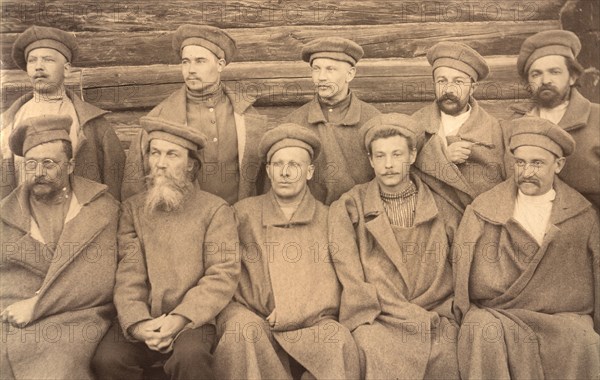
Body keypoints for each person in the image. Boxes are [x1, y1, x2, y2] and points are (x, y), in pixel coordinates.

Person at [92, 116, 240, 380]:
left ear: (192, 166)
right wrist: (139, 324)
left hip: (194, 320)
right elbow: (128, 274)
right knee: (108, 360)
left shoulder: (215, 210)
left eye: (172, 154)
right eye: (155, 153)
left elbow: (222, 274)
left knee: (190, 358)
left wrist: (180, 318)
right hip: (143, 317)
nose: (160, 164)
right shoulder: (133, 209)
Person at [453, 116, 600, 379]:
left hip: (561, 317)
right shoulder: (483, 209)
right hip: (498, 313)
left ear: (559, 164)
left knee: (583, 340)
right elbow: (462, 274)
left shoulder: (581, 215)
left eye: (537, 163)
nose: (526, 172)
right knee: (479, 330)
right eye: (520, 163)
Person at [214, 123, 359, 379]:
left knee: (338, 341)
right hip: (252, 314)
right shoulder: (242, 213)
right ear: (268, 170)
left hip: (312, 319)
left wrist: (294, 310)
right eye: (278, 164)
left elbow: (337, 282)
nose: (285, 173)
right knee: (242, 332)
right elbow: (225, 274)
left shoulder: (328, 218)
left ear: (310, 171)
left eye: (294, 165)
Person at [329, 113, 461, 379]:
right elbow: (349, 273)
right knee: (370, 345)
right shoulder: (350, 206)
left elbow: (460, 264)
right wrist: (372, 307)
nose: (388, 165)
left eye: (397, 155)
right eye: (380, 156)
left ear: (412, 156)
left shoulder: (441, 206)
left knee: (448, 350)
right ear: (370, 160)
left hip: (432, 312)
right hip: (379, 315)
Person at [0, 114, 119, 379]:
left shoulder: (101, 209)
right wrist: (21, 306)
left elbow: (100, 281)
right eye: (31, 164)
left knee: (58, 363)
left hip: (79, 316)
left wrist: (38, 305)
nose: (38, 173)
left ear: (70, 166)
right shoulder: (6, 214)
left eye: (49, 164)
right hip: (14, 314)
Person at [122, 24, 268, 203]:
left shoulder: (245, 116)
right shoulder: (161, 118)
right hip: (186, 223)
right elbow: (133, 189)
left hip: (238, 219)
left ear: (220, 64)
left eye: (200, 61)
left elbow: (262, 180)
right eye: (185, 61)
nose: (191, 70)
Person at [1, 25, 126, 200]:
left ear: (66, 69)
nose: (38, 67)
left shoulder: (91, 123)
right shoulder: (7, 122)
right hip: (26, 222)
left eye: (48, 60)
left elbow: (116, 186)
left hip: (78, 222)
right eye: (32, 60)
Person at [412, 41, 507, 213]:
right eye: (442, 81)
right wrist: (442, 158)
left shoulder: (494, 130)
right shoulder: (415, 124)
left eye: (458, 82)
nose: (449, 89)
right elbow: (402, 176)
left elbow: (502, 189)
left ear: (472, 88)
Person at [283, 37, 380, 205]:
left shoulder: (373, 120)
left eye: (330, 69)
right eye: (316, 69)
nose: (321, 77)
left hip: (360, 218)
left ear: (350, 74)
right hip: (310, 219)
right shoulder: (293, 123)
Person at [510, 29, 600, 208]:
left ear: (572, 77)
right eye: (536, 74)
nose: (545, 80)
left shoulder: (597, 117)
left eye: (554, 72)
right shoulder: (515, 122)